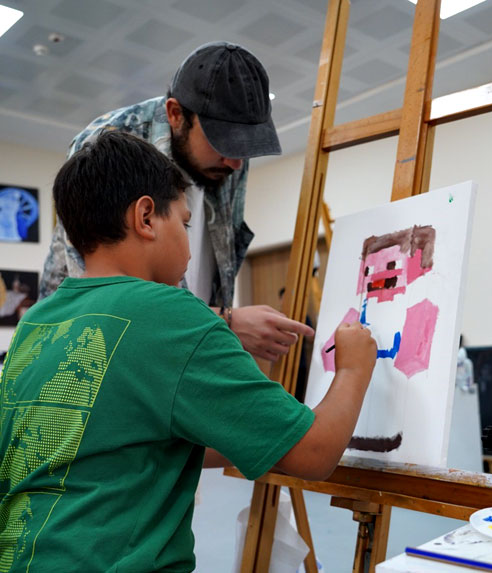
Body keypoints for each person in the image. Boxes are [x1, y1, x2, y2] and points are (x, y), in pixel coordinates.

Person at [0, 132, 376, 572]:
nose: (190, 247)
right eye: (186, 224)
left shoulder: (39, 320)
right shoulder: (169, 313)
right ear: (147, 217)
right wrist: (353, 368)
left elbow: (113, 447)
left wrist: (251, 434)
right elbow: (314, 453)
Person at [39, 41, 312, 363]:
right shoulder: (107, 144)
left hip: (188, 343)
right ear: (175, 114)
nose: (236, 163)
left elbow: (217, 261)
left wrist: (213, 329)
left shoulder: (228, 160)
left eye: (244, 148)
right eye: (223, 143)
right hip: (94, 351)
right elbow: (102, 295)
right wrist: (226, 321)